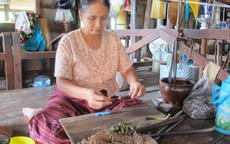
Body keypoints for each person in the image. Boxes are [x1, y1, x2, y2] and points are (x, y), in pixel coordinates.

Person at [28, 0, 145, 143]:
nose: (98, 24)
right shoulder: (69, 41)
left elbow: (127, 68)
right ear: (81, 15)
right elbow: (62, 82)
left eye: (103, 18)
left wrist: (134, 82)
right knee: (49, 129)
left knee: (141, 113)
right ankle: (36, 114)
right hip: (71, 101)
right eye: (92, 18)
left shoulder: (113, 39)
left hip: (105, 101)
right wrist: (87, 94)